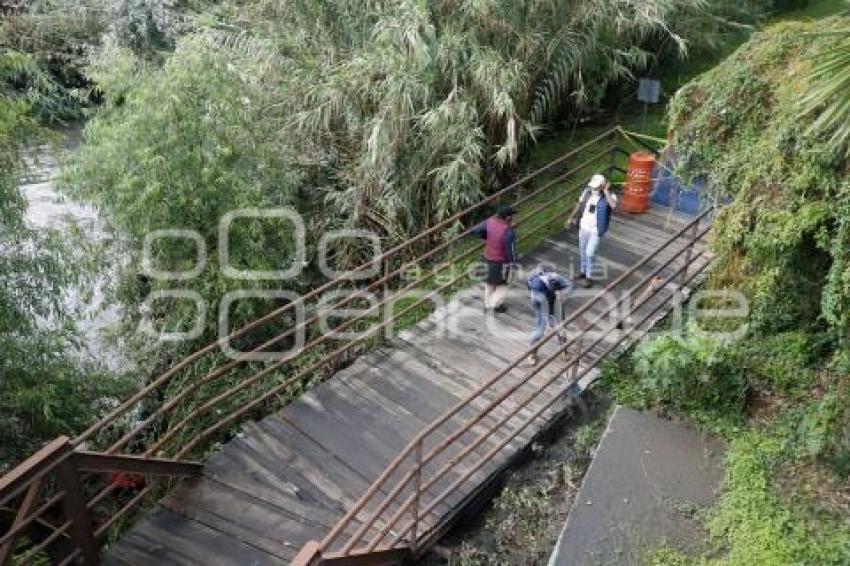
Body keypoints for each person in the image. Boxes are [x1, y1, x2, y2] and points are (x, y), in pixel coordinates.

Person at [567, 173, 618, 287]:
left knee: (590, 253)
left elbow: (613, 206)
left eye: (596, 187)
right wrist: (571, 217)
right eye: (592, 186)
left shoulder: (610, 196)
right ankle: (583, 272)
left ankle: (589, 277)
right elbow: (579, 204)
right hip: (584, 226)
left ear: (602, 185)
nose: (593, 189)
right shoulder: (586, 192)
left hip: (596, 229)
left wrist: (606, 191)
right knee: (582, 250)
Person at [472, 204, 517, 313]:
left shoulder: (490, 221)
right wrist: (513, 265)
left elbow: (475, 231)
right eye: (511, 216)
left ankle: (488, 305)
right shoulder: (508, 232)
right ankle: (494, 305)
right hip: (499, 262)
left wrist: (487, 237)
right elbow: (510, 252)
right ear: (508, 218)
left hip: (487, 257)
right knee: (504, 285)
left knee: (489, 283)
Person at [526, 266, 572, 365]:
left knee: (560, 325)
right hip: (538, 300)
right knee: (540, 327)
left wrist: (562, 294)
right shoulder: (531, 280)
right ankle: (532, 352)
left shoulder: (556, 278)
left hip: (555, 299)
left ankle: (563, 350)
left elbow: (569, 285)